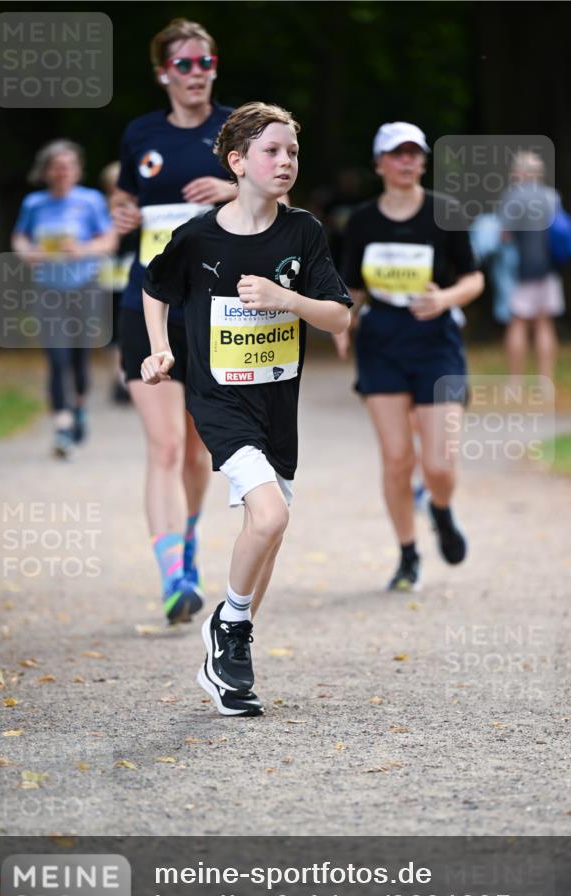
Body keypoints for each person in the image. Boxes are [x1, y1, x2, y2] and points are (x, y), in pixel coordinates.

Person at [141, 102, 351, 716]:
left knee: (269, 529)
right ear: (237, 162)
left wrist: (285, 297)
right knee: (270, 516)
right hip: (219, 400)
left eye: (292, 152)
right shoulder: (200, 236)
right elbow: (154, 289)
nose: (285, 162)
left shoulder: (304, 231)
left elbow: (339, 316)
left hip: (276, 405)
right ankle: (230, 629)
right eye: (271, 151)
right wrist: (160, 351)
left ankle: (228, 658)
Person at [110, 17, 238, 625]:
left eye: (205, 63)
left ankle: (187, 542)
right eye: (184, 64)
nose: (195, 74)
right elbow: (129, 207)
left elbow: (283, 208)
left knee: (194, 453)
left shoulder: (238, 129)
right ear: (164, 72)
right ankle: (172, 575)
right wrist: (119, 217)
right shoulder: (140, 134)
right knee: (162, 446)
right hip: (145, 308)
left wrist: (234, 192)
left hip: (211, 313)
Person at [340, 122, 484, 592]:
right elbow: (352, 287)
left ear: (423, 160)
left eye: (414, 154)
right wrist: (344, 323)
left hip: (435, 339)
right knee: (398, 458)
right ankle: (407, 555)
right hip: (380, 339)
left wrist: (445, 299)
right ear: (379, 162)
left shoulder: (446, 212)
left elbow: (474, 279)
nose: (407, 161)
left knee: (439, 464)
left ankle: (440, 509)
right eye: (397, 154)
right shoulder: (361, 221)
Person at [12, 140, 116, 458]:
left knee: (78, 357)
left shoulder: (91, 201)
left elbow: (109, 240)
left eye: (68, 165)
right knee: (56, 357)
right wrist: (28, 253)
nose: (62, 171)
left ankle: (80, 405)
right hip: (48, 289)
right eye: (57, 166)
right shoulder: (34, 203)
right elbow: (19, 237)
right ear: (46, 170)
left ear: (77, 170)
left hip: (84, 286)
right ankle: (62, 424)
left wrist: (83, 250)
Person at [498, 151, 562, 385]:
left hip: (522, 269)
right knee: (544, 322)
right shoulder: (552, 197)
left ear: (520, 173)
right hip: (549, 268)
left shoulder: (513, 197)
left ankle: (516, 381)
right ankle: (545, 380)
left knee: (518, 322)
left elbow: (504, 235)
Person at [98, 161, 137, 404]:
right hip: (109, 278)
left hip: (132, 277)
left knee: (132, 329)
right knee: (113, 333)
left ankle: (130, 376)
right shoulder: (102, 211)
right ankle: (119, 378)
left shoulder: (140, 209)